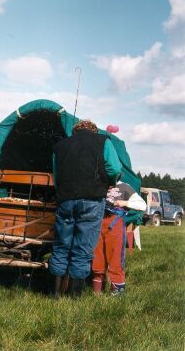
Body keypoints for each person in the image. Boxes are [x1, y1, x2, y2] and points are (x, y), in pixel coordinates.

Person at [49, 120, 122, 297]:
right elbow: (114, 169)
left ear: (75, 131)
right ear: (94, 131)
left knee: (61, 246)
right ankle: (74, 297)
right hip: (92, 199)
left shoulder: (59, 146)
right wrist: (108, 184)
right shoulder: (103, 141)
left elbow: (56, 175)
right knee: (82, 249)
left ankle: (55, 295)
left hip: (65, 200)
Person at [92, 180, 146, 296]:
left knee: (116, 257)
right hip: (98, 223)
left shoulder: (124, 187)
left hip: (115, 224)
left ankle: (117, 295)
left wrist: (124, 202)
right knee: (97, 257)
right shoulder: (99, 184)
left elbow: (142, 205)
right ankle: (97, 294)